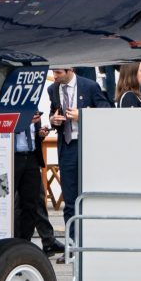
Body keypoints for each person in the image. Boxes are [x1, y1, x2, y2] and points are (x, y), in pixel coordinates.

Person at [48, 66, 113, 228]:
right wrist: (52, 120)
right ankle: (72, 245)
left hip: (87, 146)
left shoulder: (89, 86)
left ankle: (91, 238)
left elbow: (107, 111)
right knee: (69, 199)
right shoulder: (53, 89)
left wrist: (83, 115)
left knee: (89, 195)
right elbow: (53, 111)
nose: (54, 76)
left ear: (70, 70)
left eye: (58, 72)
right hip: (67, 146)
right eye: (53, 72)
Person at [12, 101, 63, 257]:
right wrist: (25, 121)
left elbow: (33, 133)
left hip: (32, 157)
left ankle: (26, 243)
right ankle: (17, 242)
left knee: (32, 202)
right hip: (13, 158)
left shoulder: (32, 106)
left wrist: (40, 133)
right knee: (15, 204)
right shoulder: (11, 105)